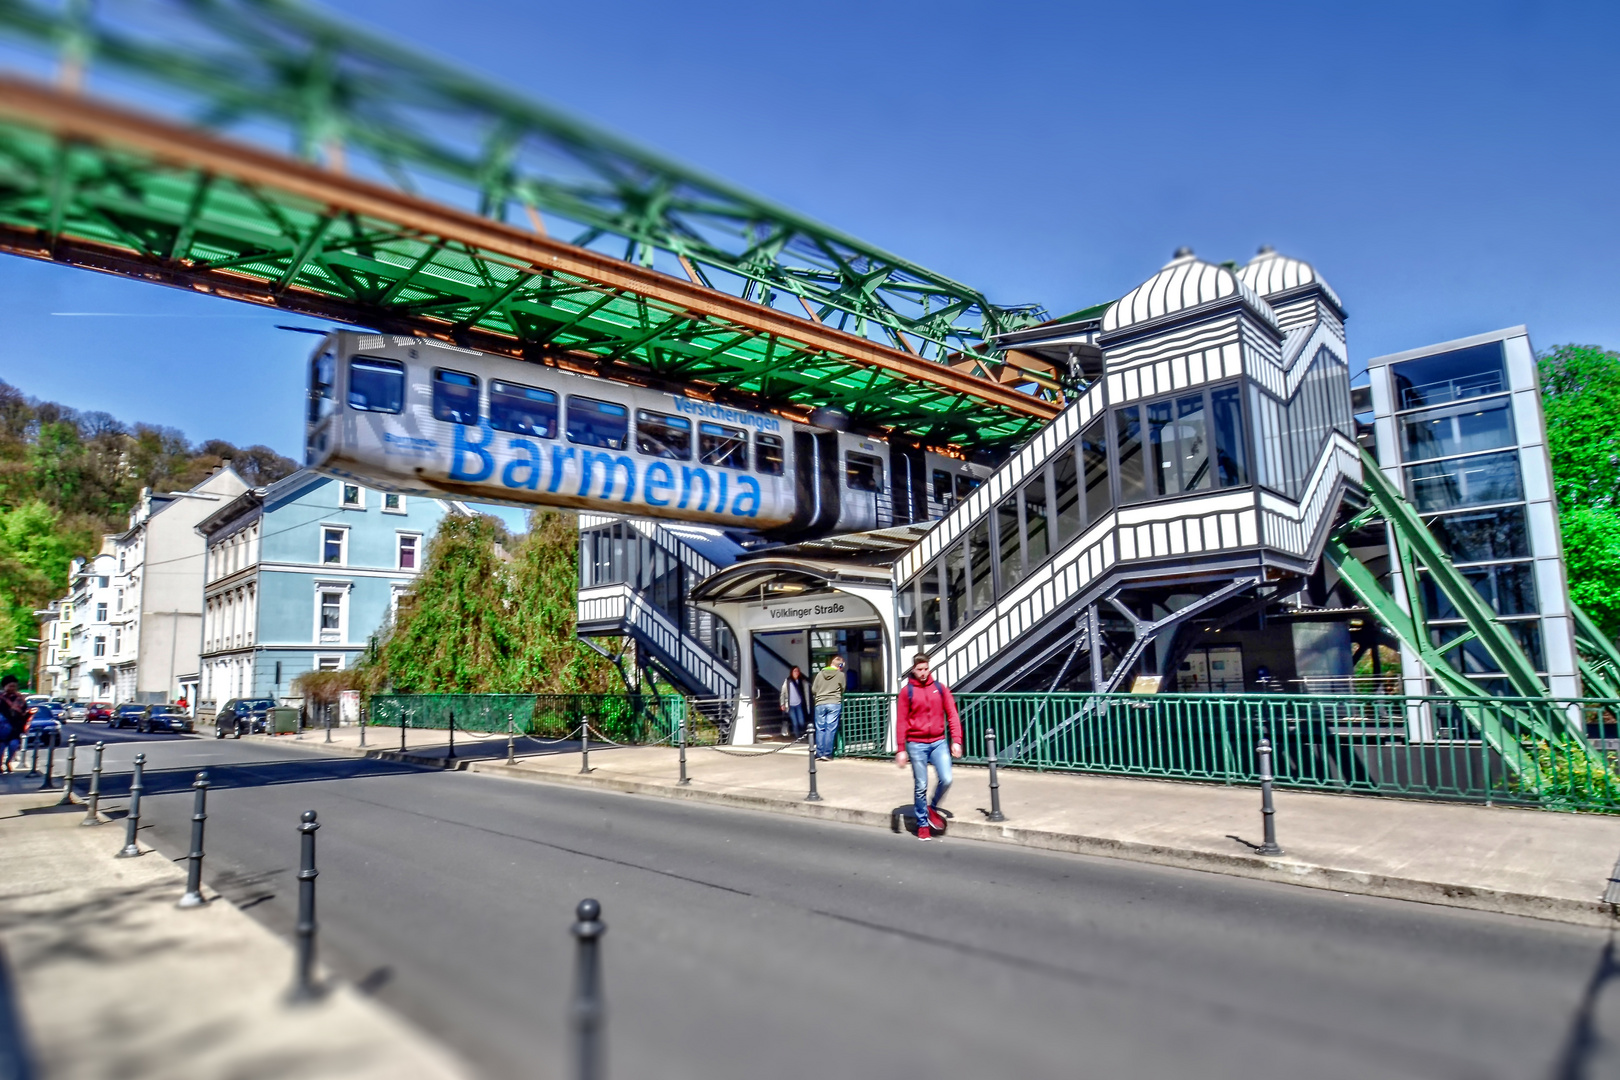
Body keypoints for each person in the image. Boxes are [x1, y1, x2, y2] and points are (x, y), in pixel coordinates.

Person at [894, 653, 962, 841]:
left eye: (926, 669)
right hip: (916, 744)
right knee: (921, 785)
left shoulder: (940, 689)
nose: (923, 673)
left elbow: (952, 714)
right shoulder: (906, 692)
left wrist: (956, 740)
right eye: (919, 670)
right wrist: (901, 749)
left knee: (947, 779)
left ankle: (932, 807)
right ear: (914, 670)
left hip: (938, 741)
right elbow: (901, 721)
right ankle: (922, 823)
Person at [811, 654, 846, 760]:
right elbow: (843, 688)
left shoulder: (820, 674)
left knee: (820, 728)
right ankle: (827, 753)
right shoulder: (840, 675)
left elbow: (813, 689)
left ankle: (819, 753)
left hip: (820, 703)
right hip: (834, 702)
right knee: (830, 728)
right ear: (840, 665)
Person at [0, 675, 27, 774]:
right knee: (1, 749)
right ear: (5, 686)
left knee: (13, 745)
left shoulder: (20, 699)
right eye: (10, 686)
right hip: (1, 728)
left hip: (15, 728)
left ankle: (8, 762)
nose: (12, 688)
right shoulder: (1, 698)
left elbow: (24, 713)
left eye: (14, 686)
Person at [778, 665, 810, 740]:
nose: (796, 673)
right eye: (794, 671)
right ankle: (797, 737)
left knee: (801, 722)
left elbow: (805, 693)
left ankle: (802, 734)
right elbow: (783, 693)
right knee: (795, 722)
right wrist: (782, 703)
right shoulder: (788, 681)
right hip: (790, 705)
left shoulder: (801, 681)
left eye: (797, 671)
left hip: (799, 704)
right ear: (791, 672)